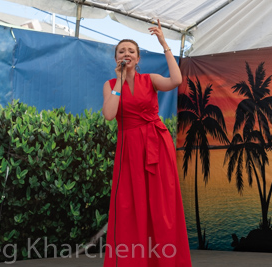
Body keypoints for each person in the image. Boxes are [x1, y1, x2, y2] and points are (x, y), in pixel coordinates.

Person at [102, 20, 192, 266]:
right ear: (116, 58)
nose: (127, 54)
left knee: (161, 203)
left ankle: (165, 261)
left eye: (131, 51)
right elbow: (110, 114)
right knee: (131, 206)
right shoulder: (111, 86)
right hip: (129, 149)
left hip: (156, 145)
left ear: (138, 58)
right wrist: (120, 80)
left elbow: (175, 80)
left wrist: (164, 44)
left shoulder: (150, 79)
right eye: (122, 51)